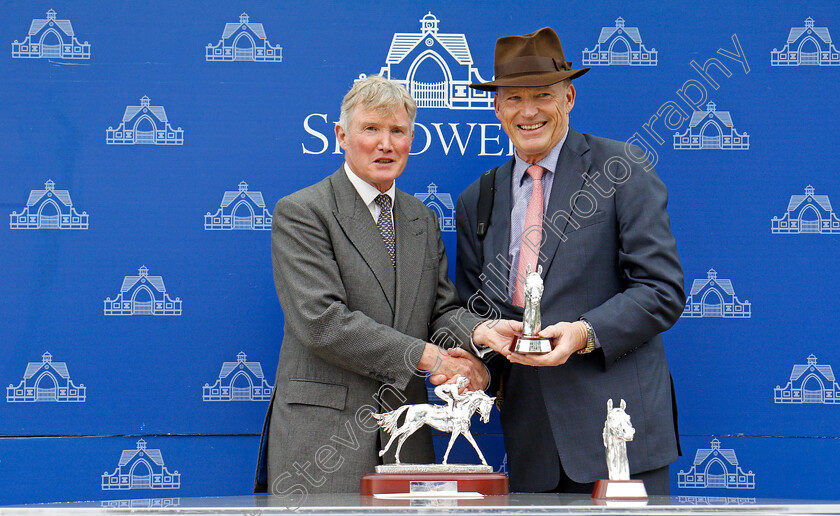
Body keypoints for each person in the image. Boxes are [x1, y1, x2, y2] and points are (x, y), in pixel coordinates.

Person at [254, 75, 520, 496]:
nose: (385, 143)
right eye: (371, 129)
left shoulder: (422, 218)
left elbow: (439, 312)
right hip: (322, 442)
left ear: (412, 138)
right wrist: (432, 359)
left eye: (397, 131)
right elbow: (323, 322)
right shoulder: (303, 212)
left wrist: (480, 332)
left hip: (405, 436)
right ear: (342, 135)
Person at [455, 27, 686, 495]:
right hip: (531, 443)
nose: (529, 110)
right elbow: (471, 308)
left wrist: (584, 333)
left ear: (569, 97)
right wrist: (476, 353)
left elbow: (662, 291)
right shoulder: (478, 198)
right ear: (496, 107)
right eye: (513, 98)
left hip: (620, 436)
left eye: (542, 95)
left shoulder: (623, 169)